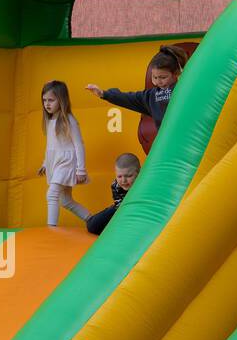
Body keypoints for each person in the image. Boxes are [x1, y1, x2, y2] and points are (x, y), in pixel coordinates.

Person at [85, 44, 188, 129]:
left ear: (176, 73)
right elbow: (129, 98)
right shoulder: (152, 96)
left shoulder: (183, 88)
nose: (158, 82)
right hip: (167, 142)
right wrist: (104, 94)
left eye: (163, 77)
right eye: (154, 77)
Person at [38, 80, 91, 226]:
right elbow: (51, 145)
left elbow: (79, 145)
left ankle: (51, 228)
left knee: (52, 194)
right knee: (66, 201)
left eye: (51, 100)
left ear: (61, 100)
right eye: (44, 100)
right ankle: (93, 220)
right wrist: (45, 163)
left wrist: (81, 169)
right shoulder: (51, 120)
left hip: (67, 162)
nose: (47, 104)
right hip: (56, 163)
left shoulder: (69, 120)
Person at [87, 152, 140, 235]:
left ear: (139, 173)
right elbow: (120, 209)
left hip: (137, 212)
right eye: (119, 176)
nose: (123, 180)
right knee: (92, 225)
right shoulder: (115, 186)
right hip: (120, 208)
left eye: (129, 176)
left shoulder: (142, 184)